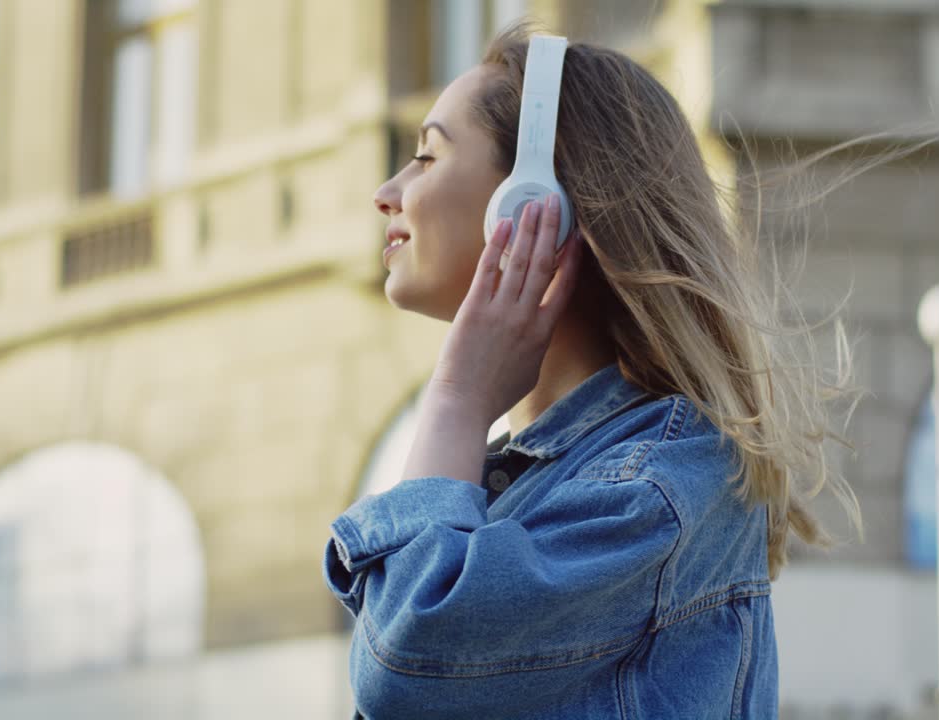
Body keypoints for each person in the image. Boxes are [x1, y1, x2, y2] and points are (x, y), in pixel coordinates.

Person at [324, 21, 864, 719]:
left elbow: (407, 658)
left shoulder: (659, 479)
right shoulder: (522, 486)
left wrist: (457, 398)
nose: (387, 191)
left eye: (427, 158)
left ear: (534, 202)